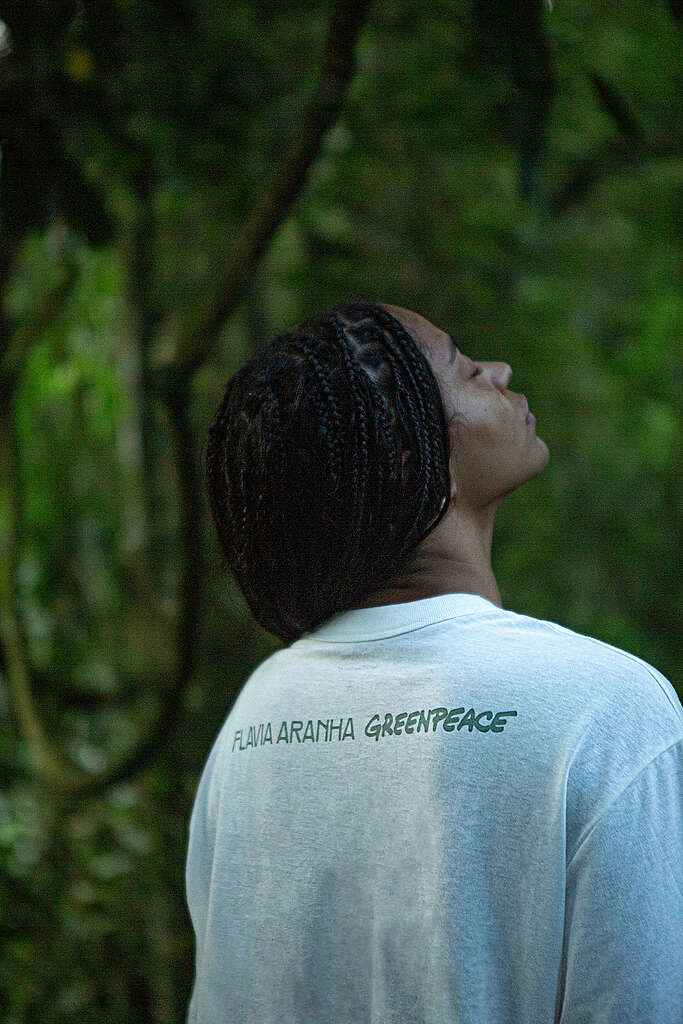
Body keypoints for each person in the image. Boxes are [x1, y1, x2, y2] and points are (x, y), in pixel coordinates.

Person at [186, 301, 682, 1023]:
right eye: (468, 371)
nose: (500, 371)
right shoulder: (606, 709)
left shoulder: (258, 715)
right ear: (411, 461)